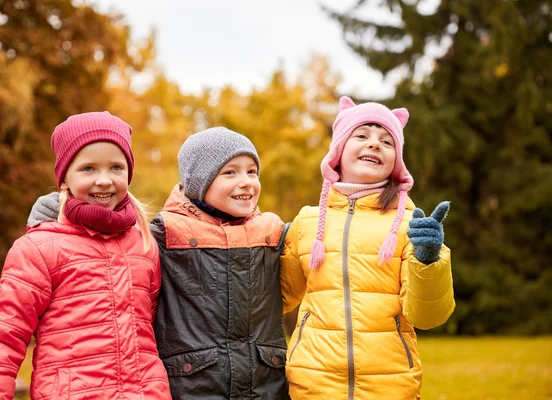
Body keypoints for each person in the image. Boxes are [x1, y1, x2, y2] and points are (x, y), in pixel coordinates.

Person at [26, 126, 289, 399]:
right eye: (230, 172)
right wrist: (58, 209)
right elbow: (111, 252)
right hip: (194, 386)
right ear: (200, 180)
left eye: (252, 171)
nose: (246, 181)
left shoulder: (271, 231)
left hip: (265, 384)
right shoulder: (165, 233)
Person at [0, 112, 171, 400]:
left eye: (116, 167)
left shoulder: (144, 245)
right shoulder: (39, 248)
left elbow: (152, 329)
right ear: (64, 177)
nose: (104, 180)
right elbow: (5, 334)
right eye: (88, 169)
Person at [280, 97, 455, 399]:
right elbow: (277, 298)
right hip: (312, 384)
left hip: (390, 386)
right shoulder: (307, 221)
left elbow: (428, 317)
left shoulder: (409, 226)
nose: (374, 144)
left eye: (387, 141)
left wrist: (428, 261)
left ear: (396, 161)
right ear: (338, 152)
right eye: (361, 136)